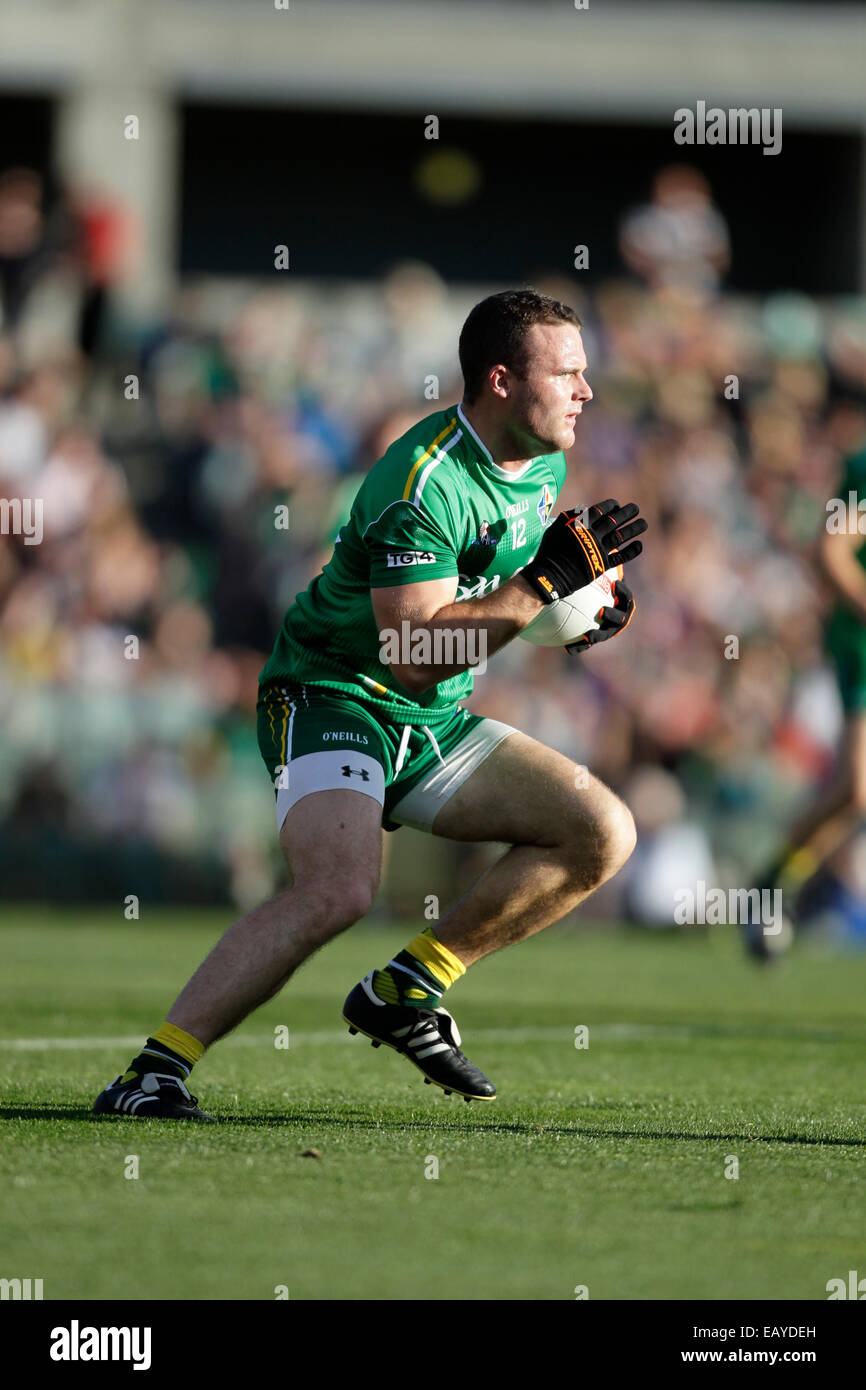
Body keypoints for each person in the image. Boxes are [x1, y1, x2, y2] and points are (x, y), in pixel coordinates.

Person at [93, 289, 646, 1120]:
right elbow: (415, 654)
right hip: (333, 691)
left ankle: (408, 986)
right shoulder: (418, 484)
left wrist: (578, 614)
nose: (586, 390)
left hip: (430, 719)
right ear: (501, 380)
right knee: (340, 890)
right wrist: (540, 591)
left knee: (602, 831)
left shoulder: (545, 460)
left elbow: (496, 600)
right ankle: (150, 1074)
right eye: (567, 371)